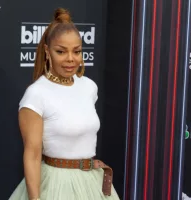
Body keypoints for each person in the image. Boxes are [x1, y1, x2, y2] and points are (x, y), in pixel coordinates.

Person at [9, 8, 120, 200]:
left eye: (76, 51)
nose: (70, 58)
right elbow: (33, 155)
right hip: (55, 186)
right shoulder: (36, 94)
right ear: (47, 51)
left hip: (92, 182)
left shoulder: (89, 87)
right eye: (61, 51)